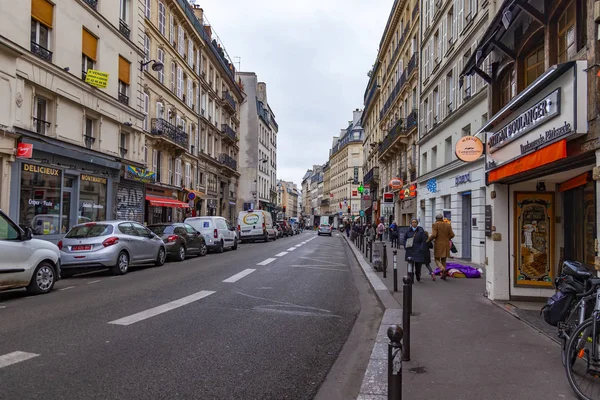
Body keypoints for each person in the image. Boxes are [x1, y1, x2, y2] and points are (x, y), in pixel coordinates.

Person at [427, 213, 455, 280]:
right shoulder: (447, 225)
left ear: (436, 219)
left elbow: (434, 235)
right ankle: (443, 275)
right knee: (443, 259)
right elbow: (452, 235)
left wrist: (428, 240)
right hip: (446, 244)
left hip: (438, 244)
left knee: (436, 259)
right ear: (442, 218)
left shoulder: (435, 224)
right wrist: (447, 238)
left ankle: (442, 269)